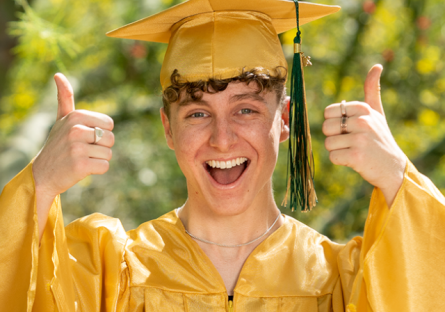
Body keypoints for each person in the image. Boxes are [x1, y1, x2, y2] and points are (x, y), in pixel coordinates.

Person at [1, 0, 445, 311]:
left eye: (246, 109)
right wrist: (39, 184)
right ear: (167, 127)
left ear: (285, 119)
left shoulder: (342, 281)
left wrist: (397, 178)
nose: (223, 138)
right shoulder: (105, 271)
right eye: (197, 113)